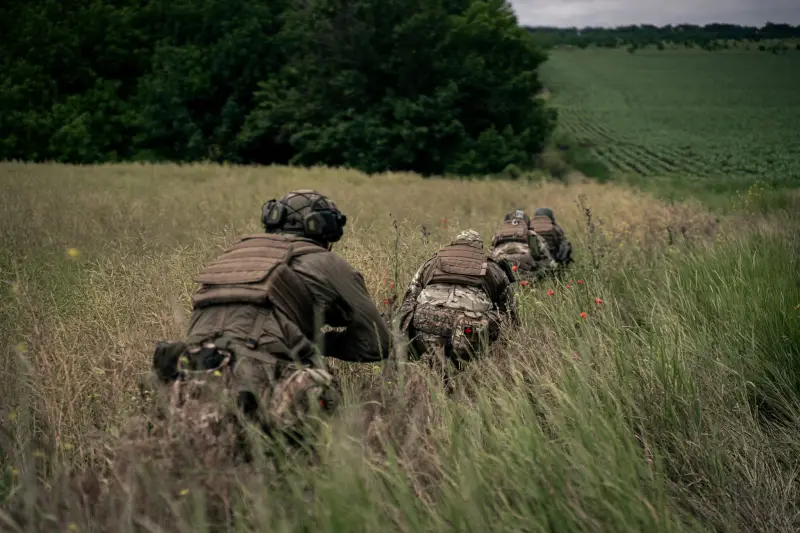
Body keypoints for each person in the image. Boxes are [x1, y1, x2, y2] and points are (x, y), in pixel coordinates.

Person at [151, 190, 391, 453]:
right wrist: (318, 342)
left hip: (190, 372)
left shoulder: (233, 255)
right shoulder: (328, 262)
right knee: (320, 398)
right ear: (326, 230)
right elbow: (376, 343)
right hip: (260, 382)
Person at [396, 229, 518, 384]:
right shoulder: (492, 267)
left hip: (425, 325)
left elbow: (409, 299)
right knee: (500, 317)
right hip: (466, 333)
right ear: (478, 247)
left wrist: (403, 336)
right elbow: (509, 310)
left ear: (455, 244)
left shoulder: (431, 262)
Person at [530, 207, 573, 274]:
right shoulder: (554, 228)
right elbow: (563, 245)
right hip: (552, 260)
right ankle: (561, 271)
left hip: (532, 262)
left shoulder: (528, 228)